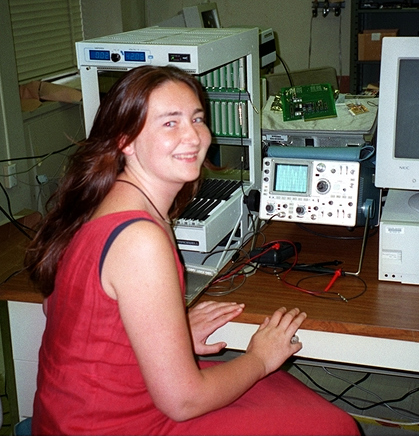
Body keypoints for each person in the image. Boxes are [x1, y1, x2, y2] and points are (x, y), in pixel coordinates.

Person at [24, 65, 360, 435]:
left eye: (197, 118)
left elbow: (81, 317)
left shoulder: (110, 200)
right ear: (125, 140)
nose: (194, 136)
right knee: (334, 426)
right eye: (170, 123)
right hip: (112, 426)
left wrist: (173, 329)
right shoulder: (139, 237)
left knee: (285, 394)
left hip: (69, 416)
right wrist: (260, 358)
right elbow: (183, 402)